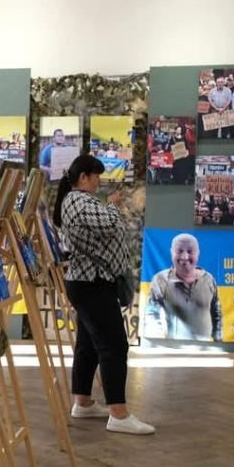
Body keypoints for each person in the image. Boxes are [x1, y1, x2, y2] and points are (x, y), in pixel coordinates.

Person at [52, 154, 154, 435]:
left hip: (90, 283)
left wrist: (109, 205)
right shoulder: (78, 201)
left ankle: (82, 402)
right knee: (114, 345)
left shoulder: (79, 201)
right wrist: (112, 205)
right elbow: (109, 223)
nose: (99, 181)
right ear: (83, 177)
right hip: (92, 284)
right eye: (96, 176)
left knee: (88, 344)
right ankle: (118, 414)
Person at [145, 233, 222, 342]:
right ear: (171, 253)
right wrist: (157, 344)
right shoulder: (161, 281)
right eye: (179, 251)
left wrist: (218, 342)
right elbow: (152, 314)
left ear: (198, 253)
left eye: (190, 252)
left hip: (205, 348)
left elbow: (217, 314)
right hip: (173, 348)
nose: (184, 257)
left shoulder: (208, 280)